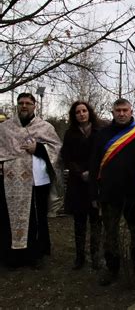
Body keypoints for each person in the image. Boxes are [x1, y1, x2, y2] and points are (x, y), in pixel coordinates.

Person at [89, 98, 135, 286]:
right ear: (112, 112)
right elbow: (94, 165)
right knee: (110, 233)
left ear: (131, 111)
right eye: (118, 110)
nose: (121, 113)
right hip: (109, 192)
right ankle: (112, 268)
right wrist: (93, 193)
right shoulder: (102, 134)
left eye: (125, 110)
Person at [0, 93, 62, 269]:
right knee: (7, 218)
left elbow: (56, 149)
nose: (24, 106)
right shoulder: (5, 128)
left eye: (28, 103)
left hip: (37, 182)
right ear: (17, 106)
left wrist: (39, 148)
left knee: (36, 219)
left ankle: (35, 255)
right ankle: (12, 257)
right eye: (21, 103)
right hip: (9, 182)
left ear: (35, 106)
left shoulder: (45, 127)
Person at [61, 101, 102, 270]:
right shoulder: (70, 133)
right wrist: (80, 173)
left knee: (96, 222)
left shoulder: (99, 131)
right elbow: (66, 157)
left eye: (84, 111)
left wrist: (91, 173)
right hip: (77, 183)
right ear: (74, 115)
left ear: (89, 112)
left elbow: (102, 155)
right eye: (78, 112)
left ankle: (95, 257)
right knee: (79, 222)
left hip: (95, 182)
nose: (81, 114)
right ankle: (79, 257)